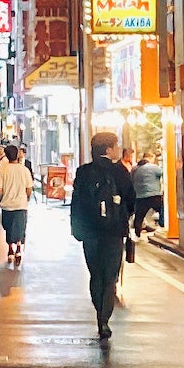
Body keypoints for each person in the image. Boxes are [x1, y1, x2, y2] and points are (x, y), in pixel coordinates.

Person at [70, 129, 133, 344]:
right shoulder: (120, 171)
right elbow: (131, 200)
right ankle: (104, 319)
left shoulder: (83, 172)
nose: (117, 150)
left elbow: (76, 202)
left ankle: (100, 315)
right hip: (114, 233)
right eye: (116, 147)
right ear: (108, 149)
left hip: (90, 233)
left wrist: (77, 229)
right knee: (110, 278)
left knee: (96, 274)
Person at [0, 139, 32, 266]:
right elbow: (29, 188)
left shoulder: (3, 170)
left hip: (7, 205)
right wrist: (27, 198)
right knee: (20, 227)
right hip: (21, 205)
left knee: (8, 227)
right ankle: (19, 249)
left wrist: (1, 199)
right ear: (17, 154)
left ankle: (10, 250)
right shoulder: (24, 170)